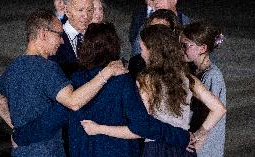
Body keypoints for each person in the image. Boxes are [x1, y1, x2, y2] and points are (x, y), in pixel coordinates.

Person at [11, 23, 192, 157]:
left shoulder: (75, 82)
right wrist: (181, 137)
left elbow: (50, 120)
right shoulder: (123, 82)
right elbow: (142, 124)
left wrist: (20, 137)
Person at [0, 9, 126, 157]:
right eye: (59, 35)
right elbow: (73, 101)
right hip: (47, 151)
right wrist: (106, 73)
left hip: (21, 151)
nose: (62, 41)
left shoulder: (13, 67)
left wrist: (16, 128)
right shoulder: (48, 68)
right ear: (43, 34)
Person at [81, 25, 226, 157]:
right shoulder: (188, 78)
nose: (141, 53)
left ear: (152, 51)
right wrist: (198, 135)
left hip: (158, 149)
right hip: (184, 149)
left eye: (142, 48)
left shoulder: (147, 80)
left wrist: (99, 128)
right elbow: (219, 109)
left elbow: (141, 128)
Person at [180, 22, 226, 157]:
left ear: (202, 48)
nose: (181, 49)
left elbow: (212, 115)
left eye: (185, 45)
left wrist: (196, 141)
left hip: (205, 150)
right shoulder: (195, 70)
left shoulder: (212, 76)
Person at [49, 0, 95, 76]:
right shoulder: (52, 36)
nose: (86, 15)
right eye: (80, 10)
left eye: (90, 10)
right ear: (67, 11)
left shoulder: (100, 35)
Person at [129, 9, 179, 79]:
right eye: (151, 29)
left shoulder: (182, 64)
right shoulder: (136, 63)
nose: (155, 34)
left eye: (161, 30)